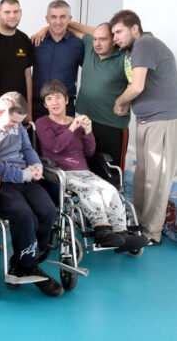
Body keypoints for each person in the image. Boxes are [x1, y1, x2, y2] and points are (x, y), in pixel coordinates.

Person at [36, 80, 147, 252]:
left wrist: (88, 131)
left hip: (84, 172)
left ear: (66, 100)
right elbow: (56, 146)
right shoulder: (43, 123)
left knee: (110, 190)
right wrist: (72, 128)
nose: (54, 102)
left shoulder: (77, 122)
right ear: (45, 104)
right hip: (60, 172)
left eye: (58, 97)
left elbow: (89, 152)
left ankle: (121, 233)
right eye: (49, 99)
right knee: (91, 191)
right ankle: (102, 231)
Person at [0, 92, 63, 297]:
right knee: (24, 216)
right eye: (13, 122)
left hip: (25, 177)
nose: (16, 127)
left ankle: (22, 260)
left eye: (19, 123)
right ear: (0, 112)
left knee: (48, 211)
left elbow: (27, 148)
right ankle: (30, 267)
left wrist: (36, 165)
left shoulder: (17, 125)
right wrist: (21, 174)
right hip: (0, 183)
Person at [110, 9, 177, 246]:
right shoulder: (134, 48)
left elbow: (137, 87)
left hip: (161, 121)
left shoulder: (145, 44)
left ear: (135, 28)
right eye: (113, 34)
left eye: (119, 32)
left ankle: (151, 233)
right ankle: (138, 225)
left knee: (156, 180)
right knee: (142, 179)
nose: (115, 38)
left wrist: (119, 102)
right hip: (147, 120)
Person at [32, 21, 130, 170]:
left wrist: (125, 100)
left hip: (112, 124)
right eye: (95, 38)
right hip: (87, 118)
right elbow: (64, 25)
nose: (97, 43)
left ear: (114, 40)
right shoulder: (90, 45)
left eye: (103, 39)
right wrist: (46, 29)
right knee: (91, 161)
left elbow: (139, 84)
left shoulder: (125, 58)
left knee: (111, 168)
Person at [31, 0, 84, 119]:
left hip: (65, 108)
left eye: (63, 17)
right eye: (53, 17)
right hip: (38, 107)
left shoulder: (79, 44)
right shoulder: (36, 42)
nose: (58, 21)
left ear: (70, 19)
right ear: (47, 19)